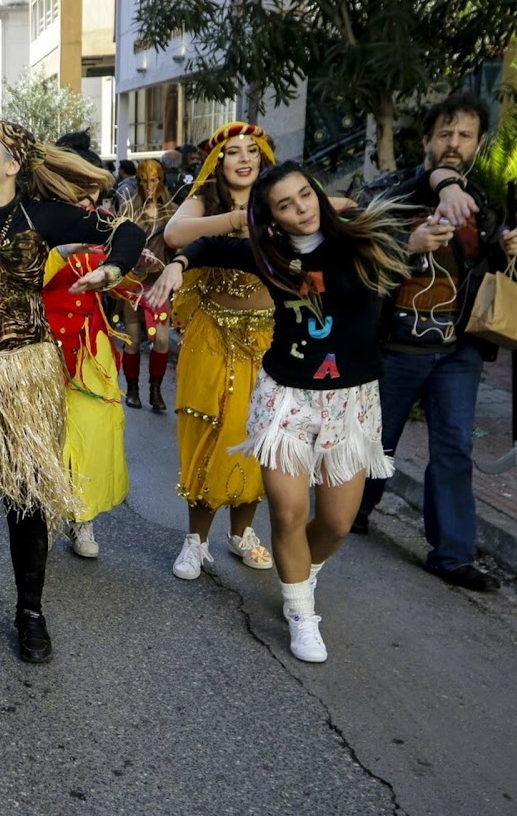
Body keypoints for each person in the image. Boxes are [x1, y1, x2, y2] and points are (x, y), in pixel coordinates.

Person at [0, 119, 147, 663]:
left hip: (26, 370)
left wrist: (109, 273)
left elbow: (126, 233)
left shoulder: (44, 215)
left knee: (26, 494)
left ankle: (30, 610)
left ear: (12, 165)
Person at [148, 162, 410, 662]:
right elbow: (202, 246)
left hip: (351, 401)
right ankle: (299, 612)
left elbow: (413, 222)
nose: (301, 209)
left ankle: (302, 569)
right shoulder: (266, 254)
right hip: (285, 396)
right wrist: (178, 265)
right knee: (289, 512)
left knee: (334, 523)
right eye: (285, 205)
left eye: (305, 196)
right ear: (272, 218)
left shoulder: (359, 240)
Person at [353, 91, 517, 593]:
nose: (454, 144)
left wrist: (508, 245)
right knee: (377, 441)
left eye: (465, 136)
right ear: (427, 139)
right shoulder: (391, 192)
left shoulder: (481, 204)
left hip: (458, 350)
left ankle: (451, 554)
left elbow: (483, 264)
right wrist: (408, 243)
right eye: (445, 134)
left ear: (477, 143)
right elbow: (358, 253)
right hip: (395, 345)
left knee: (453, 448)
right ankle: (353, 510)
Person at [159, 122, 280, 579]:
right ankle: (197, 540)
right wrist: (239, 220)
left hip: (267, 338)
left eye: (253, 150)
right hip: (211, 335)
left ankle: (242, 533)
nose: (244, 158)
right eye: (233, 152)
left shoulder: (278, 200)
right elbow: (175, 234)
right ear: (218, 162)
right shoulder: (205, 203)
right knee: (208, 429)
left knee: (260, 435)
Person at [116, 157, 174, 411]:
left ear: (161, 181)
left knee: (161, 341)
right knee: (132, 338)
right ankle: (132, 389)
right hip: (132, 283)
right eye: (143, 180)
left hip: (159, 283)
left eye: (154, 180)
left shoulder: (173, 210)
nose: (149, 186)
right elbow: (116, 243)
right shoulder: (128, 210)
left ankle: (156, 390)